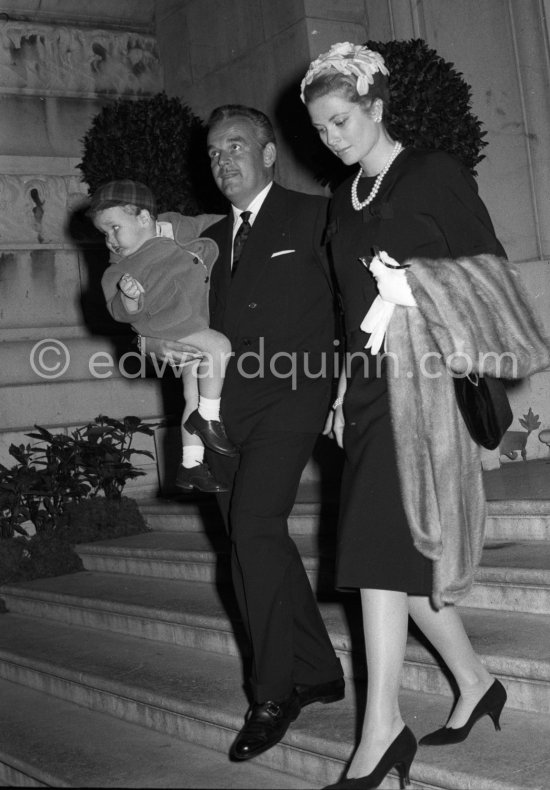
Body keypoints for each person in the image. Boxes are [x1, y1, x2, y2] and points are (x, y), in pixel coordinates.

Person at [300, 42, 514, 788]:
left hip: (422, 386)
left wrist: (416, 289)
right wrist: (335, 389)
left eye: (341, 120)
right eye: (321, 128)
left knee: (375, 548)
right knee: (388, 551)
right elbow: (344, 306)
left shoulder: (432, 173)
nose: (331, 137)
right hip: (363, 389)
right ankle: (477, 680)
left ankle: (381, 727)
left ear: (375, 107)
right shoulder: (341, 197)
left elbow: (491, 270)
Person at [142, 105, 345, 761]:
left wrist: (348, 382)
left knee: (254, 527)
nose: (222, 161)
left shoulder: (317, 217)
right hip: (225, 406)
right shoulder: (205, 242)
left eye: (236, 147)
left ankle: (272, 692)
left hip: (295, 393)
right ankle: (317, 668)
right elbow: (188, 322)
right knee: (251, 534)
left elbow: (360, 301)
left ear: (267, 153)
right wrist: (171, 348)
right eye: (213, 152)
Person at [89, 179, 236, 494]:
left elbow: (211, 223)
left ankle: (191, 464)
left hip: (187, 321)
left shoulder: (174, 227)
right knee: (219, 345)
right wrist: (129, 297)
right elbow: (119, 310)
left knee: (191, 393)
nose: (110, 240)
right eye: (104, 233)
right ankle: (209, 418)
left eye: (114, 228)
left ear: (144, 218)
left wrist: (238, 218)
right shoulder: (121, 268)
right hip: (167, 324)